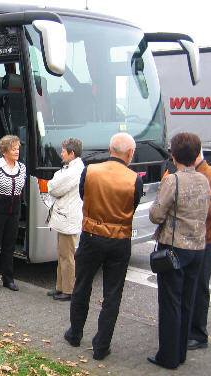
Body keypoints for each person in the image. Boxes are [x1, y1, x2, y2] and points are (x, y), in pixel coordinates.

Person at [63, 133, 143, 361]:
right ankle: (101, 345)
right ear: (130, 153)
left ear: (110, 149)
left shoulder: (91, 171)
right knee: (112, 294)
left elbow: (83, 195)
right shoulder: (134, 179)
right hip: (119, 239)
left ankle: (75, 333)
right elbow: (133, 204)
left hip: (91, 235)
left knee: (82, 285)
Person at [148, 133, 210, 369]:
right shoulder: (204, 179)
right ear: (196, 155)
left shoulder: (173, 181)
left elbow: (156, 215)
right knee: (187, 301)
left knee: (170, 302)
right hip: (198, 247)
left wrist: (155, 204)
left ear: (174, 155)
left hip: (175, 249)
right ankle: (181, 351)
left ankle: (168, 356)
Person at [188, 150, 211, 350]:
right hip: (193, 237)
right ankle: (188, 326)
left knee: (200, 285)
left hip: (207, 239)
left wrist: (189, 204)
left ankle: (199, 333)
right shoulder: (191, 172)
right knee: (190, 283)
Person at [0, 135, 27, 292]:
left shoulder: (22, 168)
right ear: (4, 151)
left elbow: (21, 189)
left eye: (18, 149)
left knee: (9, 246)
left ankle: (8, 279)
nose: (17, 151)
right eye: (13, 149)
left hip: (14, 211)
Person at [46, 138, 84, 301]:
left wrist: (52, 182)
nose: (60, 154)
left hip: (69, 218)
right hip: (66, 217)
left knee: (67, 256)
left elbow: (53, 188)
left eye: (63, 151)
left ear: (72, 153)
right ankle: (60, 286)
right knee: (62, 254)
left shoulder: (74, 171)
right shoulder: (71, 168)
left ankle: (68, 290)